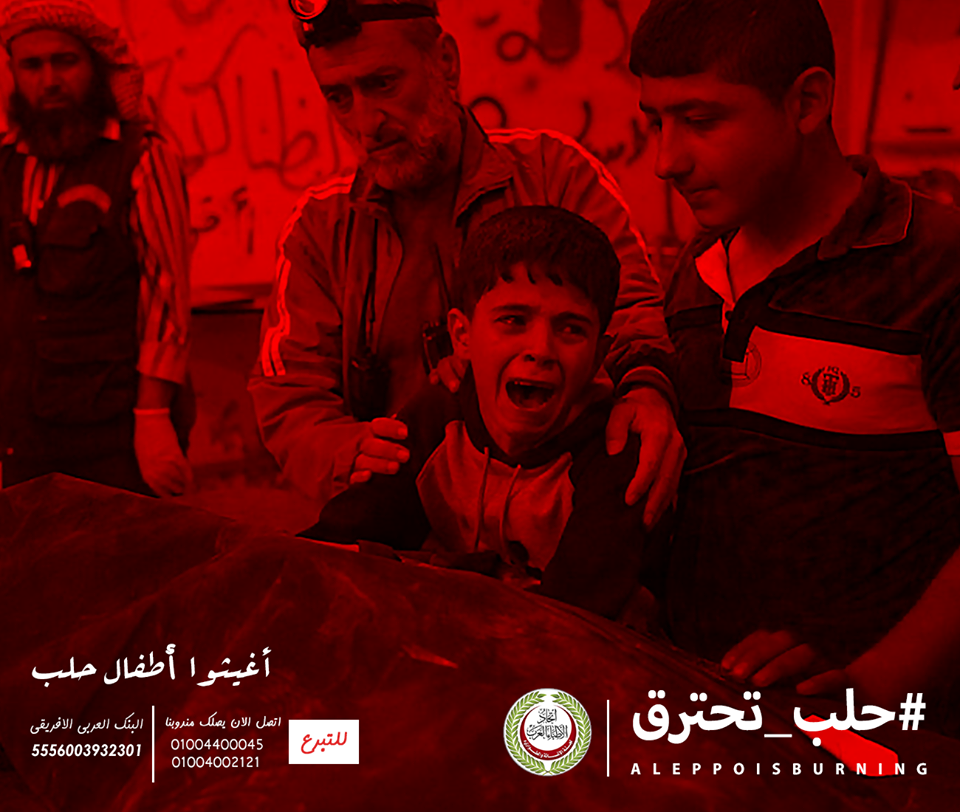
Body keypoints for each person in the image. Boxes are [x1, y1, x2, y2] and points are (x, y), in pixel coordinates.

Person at [630, 0, 960, 713]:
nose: (666, 161)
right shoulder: (697, 273)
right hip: (705, 716)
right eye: (655, 122)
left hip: (882, 736)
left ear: (806, 102)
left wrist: (875, 680)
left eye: (701, 120)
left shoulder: (938, 270)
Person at [249, 0, 685, 523]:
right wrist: (348, 451)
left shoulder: (557, 177)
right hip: (389, 536)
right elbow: (289, 394)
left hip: (550, 524)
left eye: (383, 84)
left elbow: (632, 313)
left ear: (446, 63)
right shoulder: (319, 231)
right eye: (338, 97)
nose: (366, 124)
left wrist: (648, 391)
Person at [302, 206, 669, 620]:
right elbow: (336, 543)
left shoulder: (616, 453)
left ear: (599, 354)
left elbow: (574, 618)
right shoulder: (438, 417)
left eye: (571, 329)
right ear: (462, 335)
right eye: (513, 320)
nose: (541, 350)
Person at [0, 0, 193, 497]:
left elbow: (166, 296)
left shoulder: (142, 157)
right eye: (32, 65)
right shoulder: (5, 166)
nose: (49, 80)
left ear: (95, 66)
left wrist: (153, 418)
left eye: (64, 61)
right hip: (22, 433)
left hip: (112, 432)